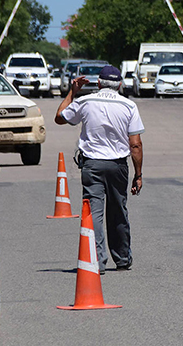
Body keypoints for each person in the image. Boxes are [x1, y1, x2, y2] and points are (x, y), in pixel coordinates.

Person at [55, 65, 144, 274]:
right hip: (118, 165)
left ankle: (96, 261)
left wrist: (72, 92)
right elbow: (136, 145)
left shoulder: (85, 101)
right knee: (118, 211)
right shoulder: (129, 106)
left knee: (94, 212)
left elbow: (60, 117)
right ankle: (122, 259)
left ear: (98, 83)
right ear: (120, 84)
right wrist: (138, 175)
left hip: (92, 165)